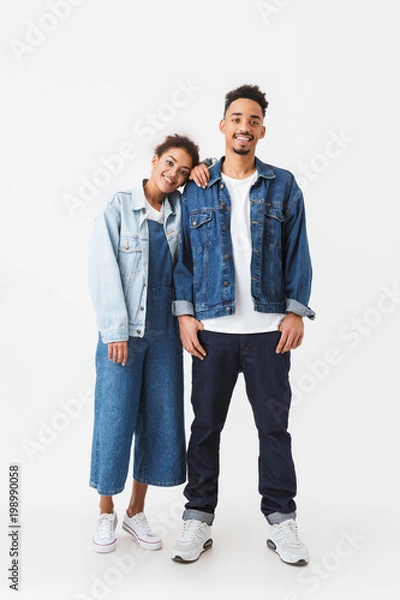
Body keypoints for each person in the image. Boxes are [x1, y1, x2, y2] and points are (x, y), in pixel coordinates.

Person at [171, 85, 315, 565]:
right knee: (205, 426)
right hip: (212, 330)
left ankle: (282, 520)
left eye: (253, 121)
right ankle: (197, 518)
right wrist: (185, 315)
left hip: (269, 332)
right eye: (236, 118)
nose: (244, 127)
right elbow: (184, 260)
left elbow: (299, 251)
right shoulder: (197, 185)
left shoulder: (283, 184)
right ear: (222, 125)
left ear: (262, 130)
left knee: (274, 428)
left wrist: (295, 310)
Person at [87, 133, 199, 553]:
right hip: (124, 334)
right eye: (169, 164)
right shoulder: (119, 206)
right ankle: (105, 512)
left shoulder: (179, 212)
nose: (174, 174)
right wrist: (114, 329)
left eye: (183, 171)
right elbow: (103, 267)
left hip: (165, 335)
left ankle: (136, 511)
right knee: (114, 418)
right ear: (154, 160)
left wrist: (201, 171)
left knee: (158, 419)